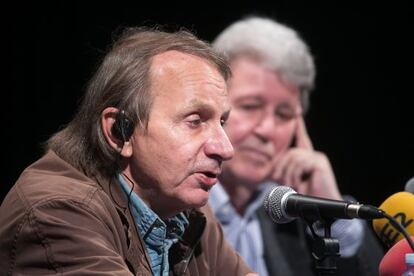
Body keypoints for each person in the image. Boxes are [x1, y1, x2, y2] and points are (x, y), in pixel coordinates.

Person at [0, 27, 254, 275]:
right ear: (119, 132)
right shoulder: (55, 213)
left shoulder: (185, 210)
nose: (225, 148)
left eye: (222, 122)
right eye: (195, 121)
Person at [209, 16, 384, 276]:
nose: (267, 130)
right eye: (250, 106)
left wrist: (330, 207)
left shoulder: (293, 216)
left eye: (284, 114)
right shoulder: (172, 203)